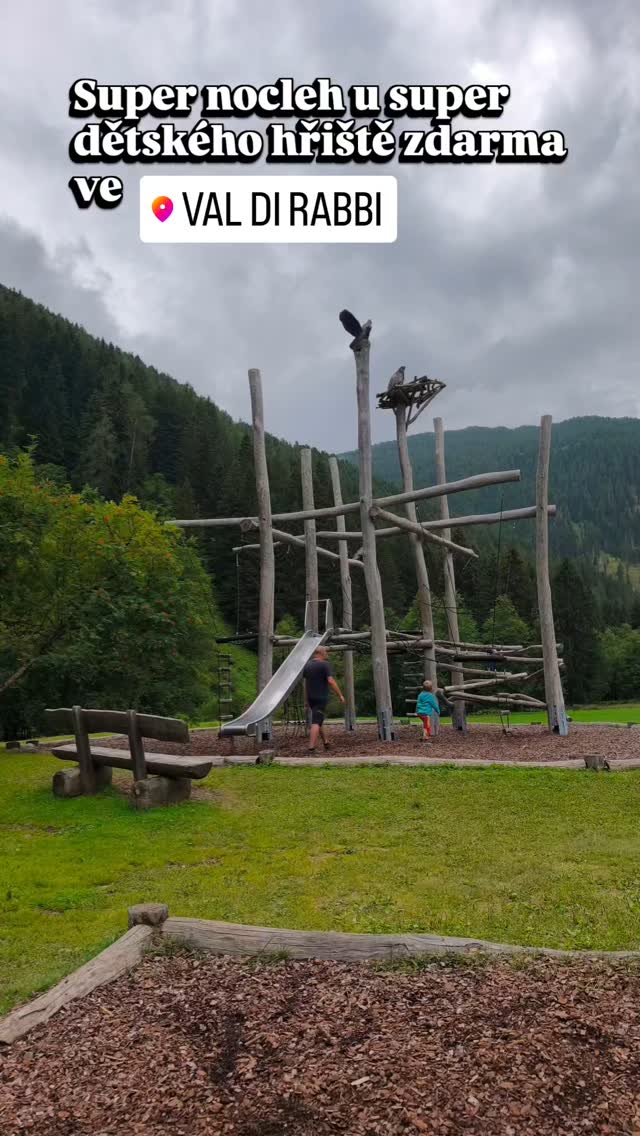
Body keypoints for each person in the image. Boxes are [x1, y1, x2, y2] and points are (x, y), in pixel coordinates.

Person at [302, 646, 345, 753]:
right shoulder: (324, 665)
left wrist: (306, 700)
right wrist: (340, 695)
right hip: (321, 697)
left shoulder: (307, 665)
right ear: (320, 653)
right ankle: (311, 748)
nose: (327, 654)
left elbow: (306, 684)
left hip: (311, 698)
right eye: (325, 652)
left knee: (319, 719)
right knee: (316, 722)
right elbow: (330, 681)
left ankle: (326, 742)